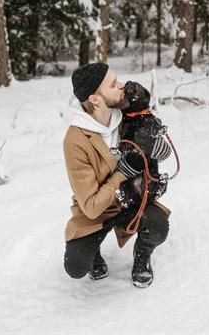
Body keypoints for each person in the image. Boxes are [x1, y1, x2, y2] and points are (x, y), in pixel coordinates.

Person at [62, 62, 171, 288]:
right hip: (96, 210)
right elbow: (91, 206)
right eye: (113, 85)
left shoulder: (126, 113)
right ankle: (94, 255)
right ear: (95, 99)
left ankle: (142, 257)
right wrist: (122, 173)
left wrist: (160, 149)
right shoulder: (75, 140)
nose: (122, 86)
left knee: (159, 226)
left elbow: (152, 152)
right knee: (76, 266)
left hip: (132, 200)